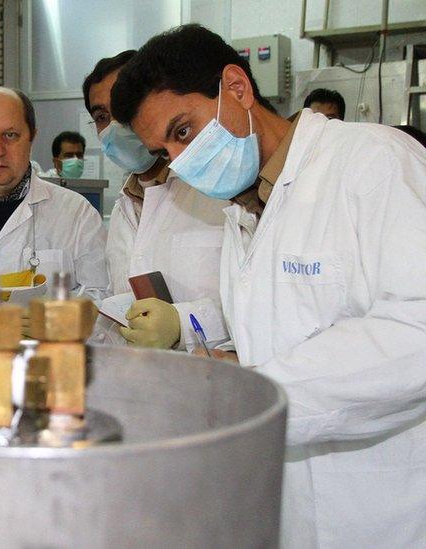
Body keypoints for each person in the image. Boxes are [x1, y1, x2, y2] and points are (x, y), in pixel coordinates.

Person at [112, 24, 426, 548]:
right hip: (288, 510)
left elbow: (417, 329)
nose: (181, 162)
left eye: (183, 131)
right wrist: (228, 372)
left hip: (382, 512)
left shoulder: (375, 162)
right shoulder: (245, 208)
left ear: (236, 87)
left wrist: (259, 395)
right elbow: (284, 334)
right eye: (165, 151)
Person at [83, 51, 230, 350]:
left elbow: (262, 308)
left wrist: (183, 323)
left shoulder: (220, 191)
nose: (113, 125)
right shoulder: (125, 206)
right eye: (101, 117)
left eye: (124, 108)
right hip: (145, 382)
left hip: (215, 381)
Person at [0, 87, 108, 305]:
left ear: (32, 137)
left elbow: (102, 298)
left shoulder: (77, 214)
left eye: (11, 135)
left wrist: (50, 319)